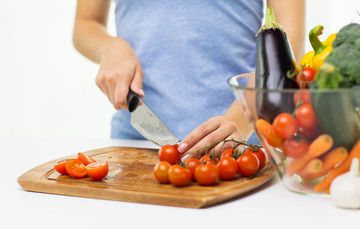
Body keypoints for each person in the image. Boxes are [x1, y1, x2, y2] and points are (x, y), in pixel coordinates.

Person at [73, 0, 305, 160]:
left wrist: (239, 122)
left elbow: (288, 41)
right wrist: (110, 48)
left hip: (242, 146)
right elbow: (85, 24)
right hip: (135, 142)